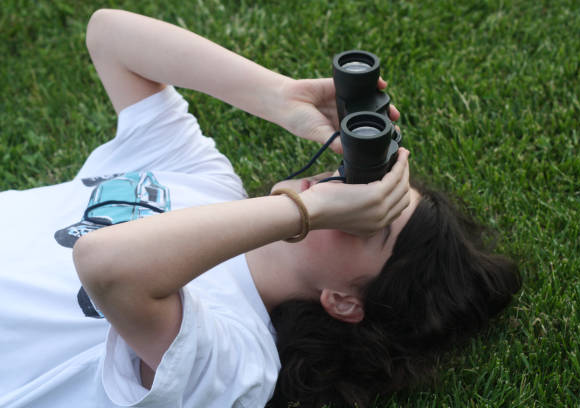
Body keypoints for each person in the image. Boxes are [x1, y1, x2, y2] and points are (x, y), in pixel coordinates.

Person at [0, 9, 521, 408]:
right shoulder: (207, 181)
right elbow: (109, 35)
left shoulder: (240, 359)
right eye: (365, 185)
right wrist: (277, 96)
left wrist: (306, 211)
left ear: (343, 301)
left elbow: (104, 264)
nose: (344, 192)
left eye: (367, 222)